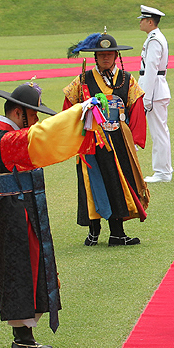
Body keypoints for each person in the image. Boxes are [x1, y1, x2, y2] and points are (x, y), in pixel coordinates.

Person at [0, 83, 99, 348]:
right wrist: (80, 112)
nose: (36, 121)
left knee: (24, 269)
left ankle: (24, 335)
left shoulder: (10, 136)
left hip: (19, 211)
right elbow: (44, 137)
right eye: (33, 115)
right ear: (19, 113)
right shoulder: (6, 139)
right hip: (12, 215)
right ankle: (22, 338)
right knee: (20, 270)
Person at [64, 31, 148, 246]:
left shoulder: (127, 80)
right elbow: (68, 108)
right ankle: (94, 231)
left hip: (118, 142)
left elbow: (136, 107)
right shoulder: (82, 80)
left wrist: (135, 139)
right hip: (91, 142)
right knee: (92, 184)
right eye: (101, 54)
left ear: (116, 55)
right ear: (95, 56)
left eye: (110, 54)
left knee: (118, 183)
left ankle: (117, 233)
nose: (106, 58)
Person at [137, 5, 172, 183]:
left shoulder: (154, 39)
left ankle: (163, 172)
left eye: (143, 20)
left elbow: (151, 68)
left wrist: (147, 96)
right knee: (159, 131)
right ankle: (162, 170)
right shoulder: (154, 38)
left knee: (159, 132)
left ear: (150, 22)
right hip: (155, 88)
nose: (141, 23)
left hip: (155, 90)